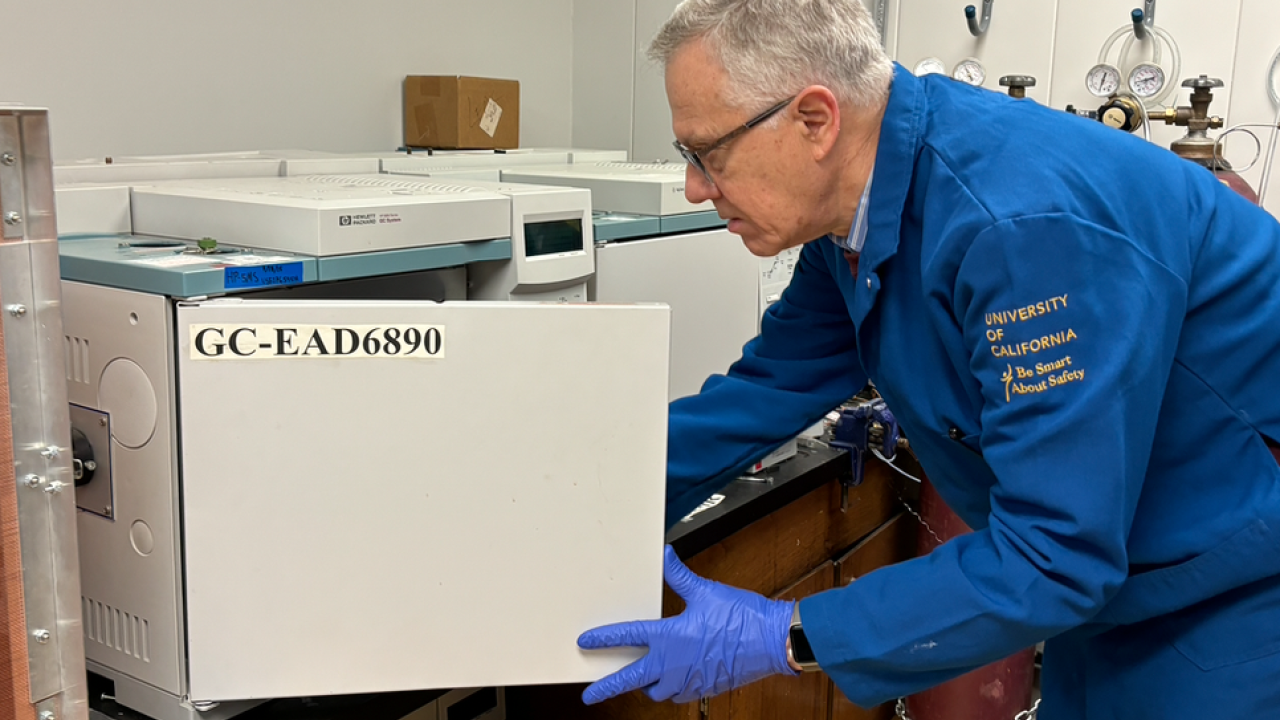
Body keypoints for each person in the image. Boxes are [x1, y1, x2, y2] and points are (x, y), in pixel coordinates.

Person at [574, 0, 1280, 717]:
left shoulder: (1019, 225)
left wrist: (784, 634)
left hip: (1236, 583)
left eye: (706, 153)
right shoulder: (856, 209)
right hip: (1119, 585)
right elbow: (773, 384)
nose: (696, 186)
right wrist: (590, 506)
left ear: (814, 121)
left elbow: (1052, 555)